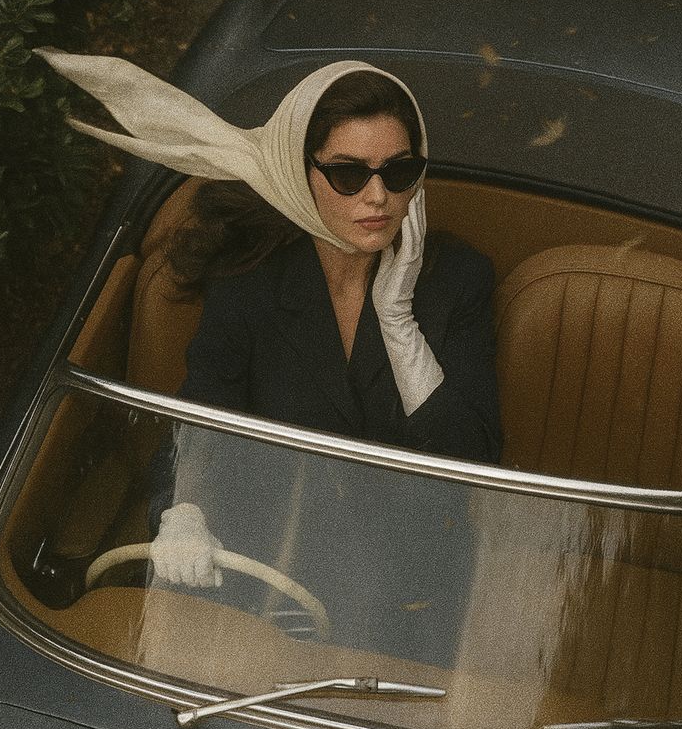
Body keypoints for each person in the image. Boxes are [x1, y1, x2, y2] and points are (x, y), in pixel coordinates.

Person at [34, 51, 501, 597]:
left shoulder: (459, 280)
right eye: (348, 174)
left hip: (407, 586)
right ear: (301, 174)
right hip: (273, 564)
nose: (378, 197)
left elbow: (472, 463)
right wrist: (182, 513)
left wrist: (398, 320)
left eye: (399, 171)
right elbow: (201, 419)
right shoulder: (251, 278)